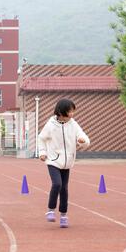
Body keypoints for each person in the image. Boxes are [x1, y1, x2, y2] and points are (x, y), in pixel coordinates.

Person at [38, 98, 90, 228]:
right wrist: (42, 152)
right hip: (53, 161)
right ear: (61, 112)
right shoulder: (50, 124)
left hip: (67, 162)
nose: (72, 114)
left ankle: (63, 216)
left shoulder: (73, 124)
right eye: (70, 111)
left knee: (64, 189)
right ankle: (50, 210)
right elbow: (41, 138)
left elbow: (81, 135)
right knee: (57, 184)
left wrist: (83, 141)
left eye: (73, 111)